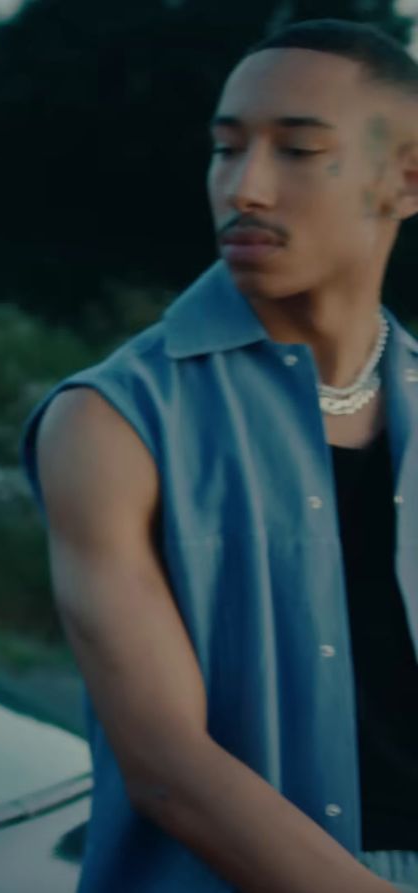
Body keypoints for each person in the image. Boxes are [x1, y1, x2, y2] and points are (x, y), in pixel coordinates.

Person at [22, 18, 418, 893]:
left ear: (407, 178)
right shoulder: (109, 422)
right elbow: (169, 767)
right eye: (225, 149)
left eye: (299, 150)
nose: (246, 189)